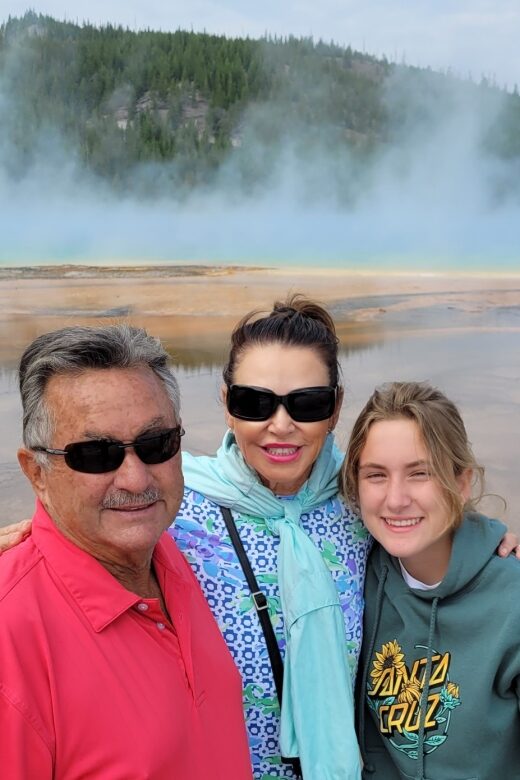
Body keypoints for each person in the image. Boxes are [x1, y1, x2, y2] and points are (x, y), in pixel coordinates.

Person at [1, 299, 518, 779]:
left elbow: (426, 510)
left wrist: (491, 547)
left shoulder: (358, 497)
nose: (281, 425)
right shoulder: (172, 508)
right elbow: (85, 510)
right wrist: (35, 534)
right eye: (255, 402)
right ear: (227, 403)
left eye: (307, 403)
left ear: (336, 407)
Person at [0, 325, 253, 780]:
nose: (136, 480)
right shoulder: (11, 634)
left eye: (156, 444)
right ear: (36, 473)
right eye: (96, 454)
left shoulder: (173, 556)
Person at [341, 380, 520, 780]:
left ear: (461, 483)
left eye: (420, 473)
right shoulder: (352, 575)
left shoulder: (512, 601)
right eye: (376, 475)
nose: (396, 499)